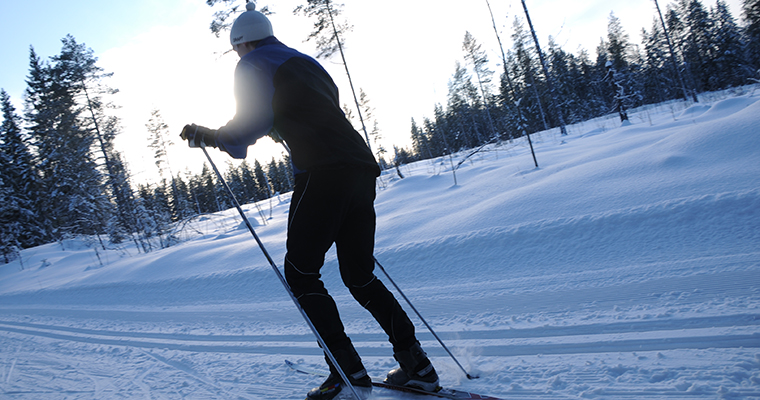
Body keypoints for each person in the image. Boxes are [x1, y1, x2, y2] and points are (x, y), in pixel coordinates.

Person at [179, 3, 439, 400]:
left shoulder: (252, 63)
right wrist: (277, 125)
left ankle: (346, 373)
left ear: (242, 44)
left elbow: (247, 126)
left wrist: (211, 136)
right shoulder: (306, 62)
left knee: (301, 273)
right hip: (360, 169)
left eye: (236, 50)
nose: (237, 56)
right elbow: (311, 111)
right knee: (360, 275)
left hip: (322, 174)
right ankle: (417, 365)